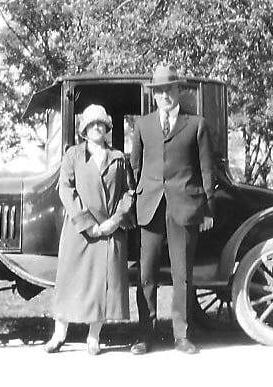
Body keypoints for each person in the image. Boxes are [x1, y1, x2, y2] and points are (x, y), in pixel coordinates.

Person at [130, 64, 216, 355]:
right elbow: (135, 168)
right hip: (150, 207)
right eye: (159, 91)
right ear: (153, 95)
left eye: (169, 89)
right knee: (147, 273)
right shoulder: (142, 125)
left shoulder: (196, 125)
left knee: (183, 274)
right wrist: (134, 202)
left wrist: (208, 210)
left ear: (178, 91)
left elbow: (207, 170)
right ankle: (145, 334)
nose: (164, 95)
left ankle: (182, 336)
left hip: (185, 207)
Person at [44, 104, 135, 355]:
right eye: (92, 123)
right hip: (79, 231)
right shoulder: (73, 155)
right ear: (84, 129)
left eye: (101, 123)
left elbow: (128, 193)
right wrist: (87, 224)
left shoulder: (118, 158)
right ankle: (58, 335)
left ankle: (93, 338)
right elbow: (66, 189)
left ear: (107, 128)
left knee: (101, 287)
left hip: (109, 232)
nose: (97, 127)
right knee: (69, 282)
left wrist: (114, 221)